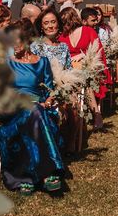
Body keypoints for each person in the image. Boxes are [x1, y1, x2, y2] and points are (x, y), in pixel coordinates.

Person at [0, 19, 64, 194]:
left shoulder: (43, 62)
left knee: (36, 110)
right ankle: (49, 172)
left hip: (39, 112)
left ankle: (25, 177)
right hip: (13, 112)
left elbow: (48, 92)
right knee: (33, 111)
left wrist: (47, 101)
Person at [33, 10, 85, 153]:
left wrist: (67, 86)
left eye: (53, 22)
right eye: (46, 23)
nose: (50, 26)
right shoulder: (36, 47)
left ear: (58, 24)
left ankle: (70, 143)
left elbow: (68, 69)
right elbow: (33, 73)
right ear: (41, 27)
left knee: (73, 105)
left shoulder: (63, 47)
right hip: (43, 88)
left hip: (62, 86)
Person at [59, 7, 111, 131]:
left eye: (65, 22)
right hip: (67, 70)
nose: (64, 25)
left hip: (87, 67)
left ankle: (96, 114)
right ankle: (74, 115)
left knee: (84, 81)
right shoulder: (62, 35)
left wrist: (84, 59)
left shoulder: (88, 31)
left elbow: (97, 52)